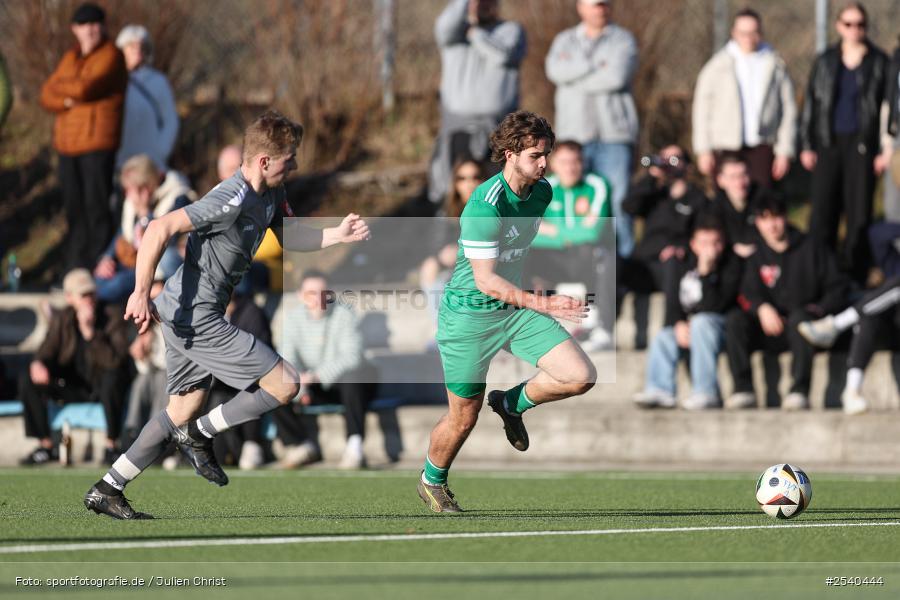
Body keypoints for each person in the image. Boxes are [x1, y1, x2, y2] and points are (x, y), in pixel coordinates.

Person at [83, 110, 370, 519]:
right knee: (286, 383)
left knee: (181, 408)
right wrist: (140, 291)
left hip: (190, 314)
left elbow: (290, 234)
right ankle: (198, 435)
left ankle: (107, 487)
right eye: (290, 158)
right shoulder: (231, 196)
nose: (297, 165)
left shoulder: (271, 194)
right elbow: (158, 229)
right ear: (264, 161)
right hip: (194, 317)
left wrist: (336, 235)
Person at [418, 111, 597, 513]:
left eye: (547, 154)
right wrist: (545, 301)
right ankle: (433, 480)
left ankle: (512, 403)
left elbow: (516, 252)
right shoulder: (483, 206)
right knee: (464, 418)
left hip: (513, 310)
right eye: (536, 155)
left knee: (580, 376)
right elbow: (486, 281)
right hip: (468, 317)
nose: (545, 163)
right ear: (509, 154)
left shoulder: (542, 192)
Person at [725, 195, 848, 410]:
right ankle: (743, 388)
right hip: (768, 329)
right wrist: (761, 308)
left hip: (806, 328)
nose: (772, 225)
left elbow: (837, 288)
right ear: (758, 223)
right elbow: (746, 292)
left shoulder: (812, 247)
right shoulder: (756, 254)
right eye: (764, 220)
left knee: (800, 320)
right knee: (735, 320)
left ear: (785, 218)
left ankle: (799, 391)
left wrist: (816, 310)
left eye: (776, 218)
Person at [800, 2, 889, 283]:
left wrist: (884, 149)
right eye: (849, 24)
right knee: (823, 211)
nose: (855, 30)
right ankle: (820, 272)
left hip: (862, 145)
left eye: (860, 24)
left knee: (859, 211)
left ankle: (855, 275)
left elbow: (887, 109)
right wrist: (806, 144)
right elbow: (811, 106)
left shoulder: (879, 62)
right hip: (828, 143)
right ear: (839, 26)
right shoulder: (825, 60)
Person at [545, 0, 639, 257]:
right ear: (580, 7)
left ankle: (622, 270)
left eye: (605, 4)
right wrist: (597, 66)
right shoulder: (564, 40)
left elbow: (617, 77)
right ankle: (574, 263)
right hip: (574, 136)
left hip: (614, 137)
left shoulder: (623, 39)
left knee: (618, 204)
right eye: (596, 4)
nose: (601, 9)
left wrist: (574, 77)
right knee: (574, 206)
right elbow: (554, 70)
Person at [39, 3, 128, 272]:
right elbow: (46, 94)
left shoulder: (111, 55)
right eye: (84, 25)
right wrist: (69, 96)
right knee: (74, 209)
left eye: (95, 24)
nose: (90, 30)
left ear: (103, 26)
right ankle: (76, 269)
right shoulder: (70, 58)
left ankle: (99, 265)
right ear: (74, 29)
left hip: (97, 143)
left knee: (96, 206)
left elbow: (88, 88)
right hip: (68, 146)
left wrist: (65, 93)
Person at [19, 269, 129, 466]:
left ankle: (111, 445)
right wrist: (38, 364)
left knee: (113, 378)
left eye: (92, 294)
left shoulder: (111, 315)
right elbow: (46, 350)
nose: (89, 300)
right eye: (83, 295)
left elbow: (115, 360)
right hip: (71, 385)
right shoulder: (63, 318)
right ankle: (46, 446)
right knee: (28, 378)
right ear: (70, 298)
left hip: (101, 385)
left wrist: (90, 333)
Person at [272, 270, 375, 470]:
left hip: (346, 385)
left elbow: (352, 357)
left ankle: (354, 446)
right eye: (311, 292)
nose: (318, 298)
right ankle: (300, 445)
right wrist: (301, 388)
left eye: (323, 292)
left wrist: (315, 376)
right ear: (301, 295)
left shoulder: (345, 314)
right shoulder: (293, 320)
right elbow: (287, 359)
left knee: (353, 378)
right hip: (310, 386)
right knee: (274, 382)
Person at [634, 217, 740, 410]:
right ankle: (660, 390)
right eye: (704, 243)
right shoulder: (682, 265)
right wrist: (678, 324)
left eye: (716, 243)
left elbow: (715, 305)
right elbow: (673, 301)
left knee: (701, 322)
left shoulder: (731, 266)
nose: (711, 249)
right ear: (693, 244)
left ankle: (706, 392)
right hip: (692, 328)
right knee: (664, 337)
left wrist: (706, 272)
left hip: (721, 327)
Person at [428, 0, 526, 204]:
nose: (482, 5)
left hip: (498, 130)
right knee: (454, 190)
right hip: (458, 129)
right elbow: (443, 26)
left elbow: (502, 56)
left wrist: (475, 35)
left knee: (497, 193)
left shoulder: (510, 30)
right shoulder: (454, 34)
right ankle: (451, 233)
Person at [798, 223, 900, 414]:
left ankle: (836, 324)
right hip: (892, 322)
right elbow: (876, 233)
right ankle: (852, 391)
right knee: (869, 317)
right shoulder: (892, 256)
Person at [692, 8, 796, 188]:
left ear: (761, 32)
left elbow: (788, 109)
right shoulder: (718, 65)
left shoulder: (775, 63)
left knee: (761, 202)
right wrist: (703, 149)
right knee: (726, 204)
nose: (748, 37)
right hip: (725, 145)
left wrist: (784, 150)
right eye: (743, 33)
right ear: (734, 33)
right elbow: (702, 108)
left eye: (753, 32)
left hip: (762, 145)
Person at [620, 144, 708, 349]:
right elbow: (628, 206)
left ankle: (670, 327)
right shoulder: (653, 194)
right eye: (664, 159)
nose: (669, 164)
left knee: (672, 262)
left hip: (678, 267)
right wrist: (652, 176)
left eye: (675, 159)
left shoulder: (698, 198)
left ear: (688, 166)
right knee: (611, 261)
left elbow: (706, 233)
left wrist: (681, 248)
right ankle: (604, 329)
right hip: (646, 266)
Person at [529, 140, 613, 351]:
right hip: (554, 260)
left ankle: (596, 326)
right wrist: (571, 233)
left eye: (576, 161)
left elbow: (593, 232)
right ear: (553, 163)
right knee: (526, 255)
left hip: (586, 259)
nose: (570, 167)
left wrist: (554, 231)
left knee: (594, 251)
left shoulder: (597, 185)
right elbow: (530, 232)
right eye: (564, 161)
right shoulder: (541, 189)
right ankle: (530, 326)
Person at [94, 154, 192, 303]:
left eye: (129, 189)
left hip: (161, 263)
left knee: (114, 286)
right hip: (134, 261)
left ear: (145, 187)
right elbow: (123, 232)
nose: (127, 195)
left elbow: (166, 240)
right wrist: (107, 258)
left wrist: (145, 214)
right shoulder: (132, 202)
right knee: (99, 279)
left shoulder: (178, 197)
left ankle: (157, 291)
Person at [420, 158, 485, 330]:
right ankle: (441, 330)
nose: (469, 183)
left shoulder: (493, 208)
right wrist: (442, 256)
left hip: (488, 265)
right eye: (462, 178)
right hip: (458, 266)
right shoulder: (447, 211)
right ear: (455, 183)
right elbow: (435, 244)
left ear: (483, 180)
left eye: (475, 177)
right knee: (430, 266)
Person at [114, 25, 179, 171]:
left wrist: (160, 152)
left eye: (141, 46)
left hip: (151, 163)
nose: (137, 50)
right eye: (131, 46)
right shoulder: (113, 81)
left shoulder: (158, 81)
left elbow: (170, 120)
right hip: (119, 161)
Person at [706, 154, 761, 259]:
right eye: (733, 177)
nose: (739, 182)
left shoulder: (764, 200)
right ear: (720, 180)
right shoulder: (711, 208)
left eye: (743, 175)